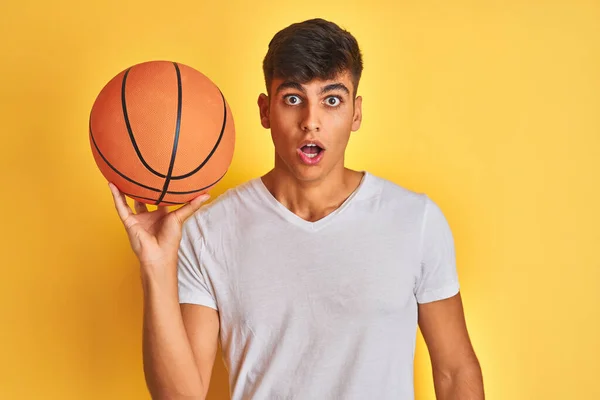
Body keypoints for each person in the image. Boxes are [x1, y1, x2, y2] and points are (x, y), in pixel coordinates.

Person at [109, 18, 484, 400]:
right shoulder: (209, 230)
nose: (311, 122)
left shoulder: (414, 220)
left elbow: (455, 372)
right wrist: (156, 267)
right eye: (292, 99)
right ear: (265, 111)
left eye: (331, 100)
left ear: (355, 113)